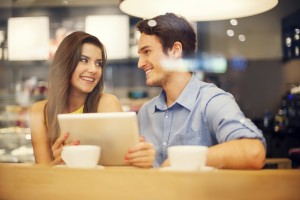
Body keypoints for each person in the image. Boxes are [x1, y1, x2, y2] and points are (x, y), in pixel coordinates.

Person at [136, 13, 266, 169]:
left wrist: (183, 160)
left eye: (147, 52)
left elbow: (253, 152)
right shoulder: (145, 112)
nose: (140, 63)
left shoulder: (213, 101)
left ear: (175, 50)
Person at [29, 31, 155, 168]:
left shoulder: (106, 103)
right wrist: (59, 163)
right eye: (84, 60)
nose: (94, 69)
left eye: (98, 63)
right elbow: (43, 177)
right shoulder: (39, 112)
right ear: (65, 63)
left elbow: (122, 167)